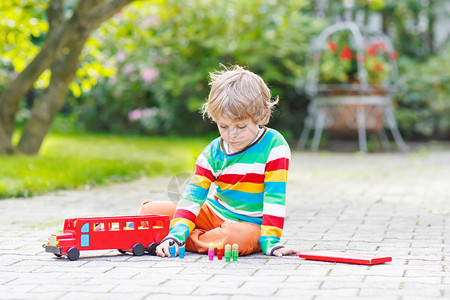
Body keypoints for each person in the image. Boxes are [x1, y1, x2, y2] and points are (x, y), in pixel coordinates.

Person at [139, 65, 299, 257]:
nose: (231, 135)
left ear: (262, 117)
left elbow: (275, 197)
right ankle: (180, 238)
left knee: (235, 239)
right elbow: (193, 196)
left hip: (249, 226)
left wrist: (271, 241)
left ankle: (178, 240)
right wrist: (176, 233)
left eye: (240, 127)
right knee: (150, 211)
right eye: (223, 126)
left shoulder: (274, 146)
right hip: (214, 213)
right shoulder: (213, 152)